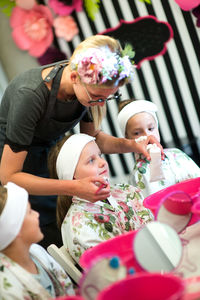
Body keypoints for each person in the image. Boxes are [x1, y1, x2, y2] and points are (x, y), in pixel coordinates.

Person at [0, 35, 163, 248]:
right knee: (51, 233)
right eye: (97, 97)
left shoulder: (88, 86)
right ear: (75, 76)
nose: (101, 103)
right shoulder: (30, 96)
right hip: (18, 170)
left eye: (107, 98)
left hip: (50, 158)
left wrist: (133, 144)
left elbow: (95, 138)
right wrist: (75, 187)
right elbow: (9, 176)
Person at [48, 133, 153, 264]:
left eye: (100, 155)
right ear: (72, 176)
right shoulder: (80, 226)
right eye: (91, 160)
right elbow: (110, 272)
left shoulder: (126, 190)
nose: (103, 163)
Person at [0, 182, 74, 299]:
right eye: (30, 212)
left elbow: (68, 290)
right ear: (15, 228)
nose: (37, 214)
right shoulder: (7, 288)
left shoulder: (37, 251)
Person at [117, 99, 200, 198]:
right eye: (137, 133)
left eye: (151, 129)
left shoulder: (177, 154)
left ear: (157, 128)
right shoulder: (138, 175)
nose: (148, 136)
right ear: (128, 138)